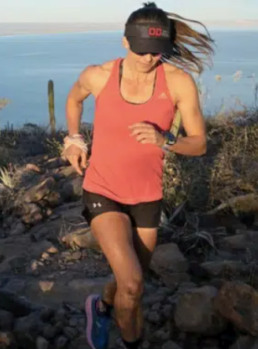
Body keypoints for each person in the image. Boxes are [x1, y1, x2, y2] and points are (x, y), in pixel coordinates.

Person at [62, 2, 215, 349]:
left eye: (157, 52)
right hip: (103, 188)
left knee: (131, 281)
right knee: (132, 284)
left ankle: (100, 307)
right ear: (126, 42)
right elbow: (73, 99)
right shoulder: (98, 75)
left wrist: (167, 141)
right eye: (143, 51)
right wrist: (73, 138)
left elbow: (200, 144)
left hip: (147, 195)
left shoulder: (178, 82)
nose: (149, 59)